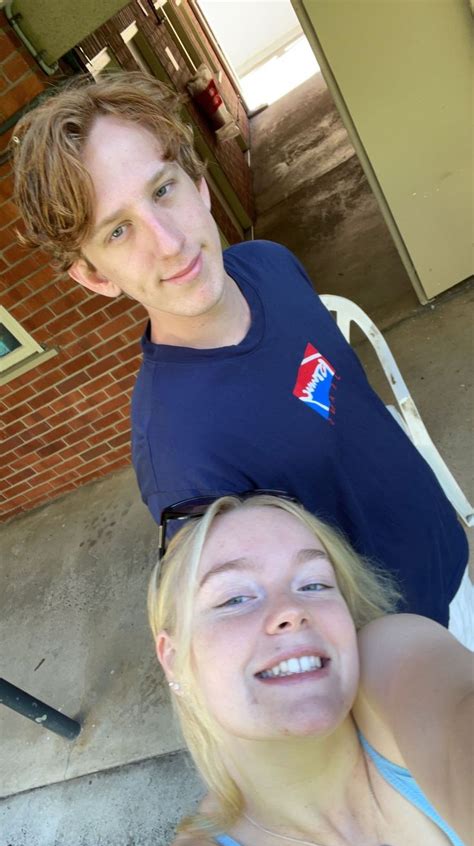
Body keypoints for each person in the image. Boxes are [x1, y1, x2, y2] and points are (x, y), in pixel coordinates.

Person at [12, 71, 469, 630]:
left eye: (162, 190)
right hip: (400, 646)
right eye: (117, 232)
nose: (170, 241)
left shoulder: (268, 264)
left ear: (198, 185)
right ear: (94, 277)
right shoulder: (182, 456)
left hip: (449, 549)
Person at [145, 493, 473, 846]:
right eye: (234, 598)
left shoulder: (394, 656)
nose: (291, 610)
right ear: (173, 658)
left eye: (314, 584)